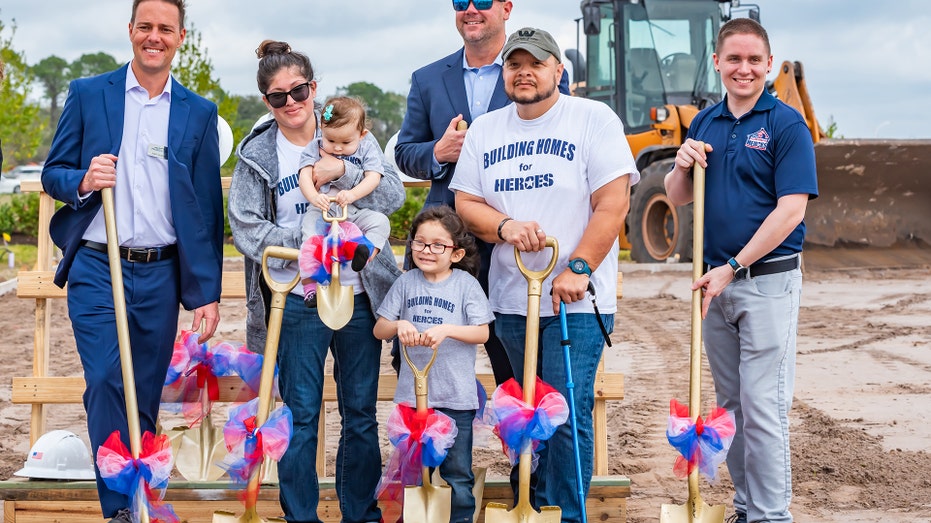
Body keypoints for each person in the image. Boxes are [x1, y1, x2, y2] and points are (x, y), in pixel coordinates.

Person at [39, 1, 223, 521]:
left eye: (165, 28)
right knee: (104, 379)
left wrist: (205, 290)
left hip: (162, 270)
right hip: (98, 264)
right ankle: (118, 508)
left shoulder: (198, 112)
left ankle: (141, 501)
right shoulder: (88, 94)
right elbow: (53, 172)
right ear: (131, 31)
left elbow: (206, 206)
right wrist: (81, 179)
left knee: (143, 392)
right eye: (146, 27)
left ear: (180, 37)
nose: (154, 37)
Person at [450, 27, 639, 523]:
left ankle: (566, 515)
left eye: (536, 63)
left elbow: (613, 201)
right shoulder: (487, 129)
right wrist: (506, 226)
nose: (524, 72)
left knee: (566, 414)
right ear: (505, 72)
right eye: (515, 64)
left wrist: (579, 266)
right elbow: (466, 203)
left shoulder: (593, 119)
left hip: (574, 301)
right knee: (524, 416)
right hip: (511, 301)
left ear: (559, 70)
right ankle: (531, 508)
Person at [227, 40, 405, 523]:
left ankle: (359, 512)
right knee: (301, 415)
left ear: (314, 89)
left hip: (360, 291)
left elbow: (390, 196)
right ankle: (300, 516)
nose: (291, 102)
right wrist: (312, 241)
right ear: (267, 101)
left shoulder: (353, 134)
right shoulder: (258, 153)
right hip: (297, 294)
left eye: (299, 90)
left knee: (361, 415)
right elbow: (244, 224)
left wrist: (345, 169)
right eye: (278, 96)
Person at [664, 18, 817, 523]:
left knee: (763, 411)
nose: (744, 69)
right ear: (717, 63)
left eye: (754, 60)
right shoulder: (704, 122)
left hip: (766, 282)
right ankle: (746, 508)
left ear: (769, 65)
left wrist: (733, 265)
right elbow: (677, 196)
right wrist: (681, 164)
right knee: (731, 410)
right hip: (714, 285)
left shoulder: (786, 125)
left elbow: (791, 210)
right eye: (734, 59)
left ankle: (772, 517)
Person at [393, 0, 569, 386]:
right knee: (425, 357)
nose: (471, 9)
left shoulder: (540, 73)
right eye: (461, 2)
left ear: (507, 8)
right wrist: (439, 152)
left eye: (483, 1)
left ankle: (524, 443)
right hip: (444, 244)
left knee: (521, 365)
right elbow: (405, 153)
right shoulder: (427, 79)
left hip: (515, 242)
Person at [374, 206, 495, 523]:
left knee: (456, 474)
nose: (427, 250)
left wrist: (446, 330)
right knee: (414, 474)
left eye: (438, 245)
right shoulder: (406, 283)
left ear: (455, 253)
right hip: (412, 401)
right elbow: (379, 329)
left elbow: (482, 332)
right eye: (420, 242)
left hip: (455, 398)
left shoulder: (466, 285)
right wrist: (399, 324)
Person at [297, 96, 390, 307]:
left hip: (354, 211)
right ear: (322, 129)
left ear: (362, 134)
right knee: (309, 237)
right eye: (331, 141)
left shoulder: (367, 148)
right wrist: (314, 197)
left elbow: (373, 177)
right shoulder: (314, 147)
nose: (337, 148)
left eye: (346, 143)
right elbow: (304, 176)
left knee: (380, 222)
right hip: (322, 209)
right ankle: (311, 285)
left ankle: (362, 253)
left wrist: (353, 194)